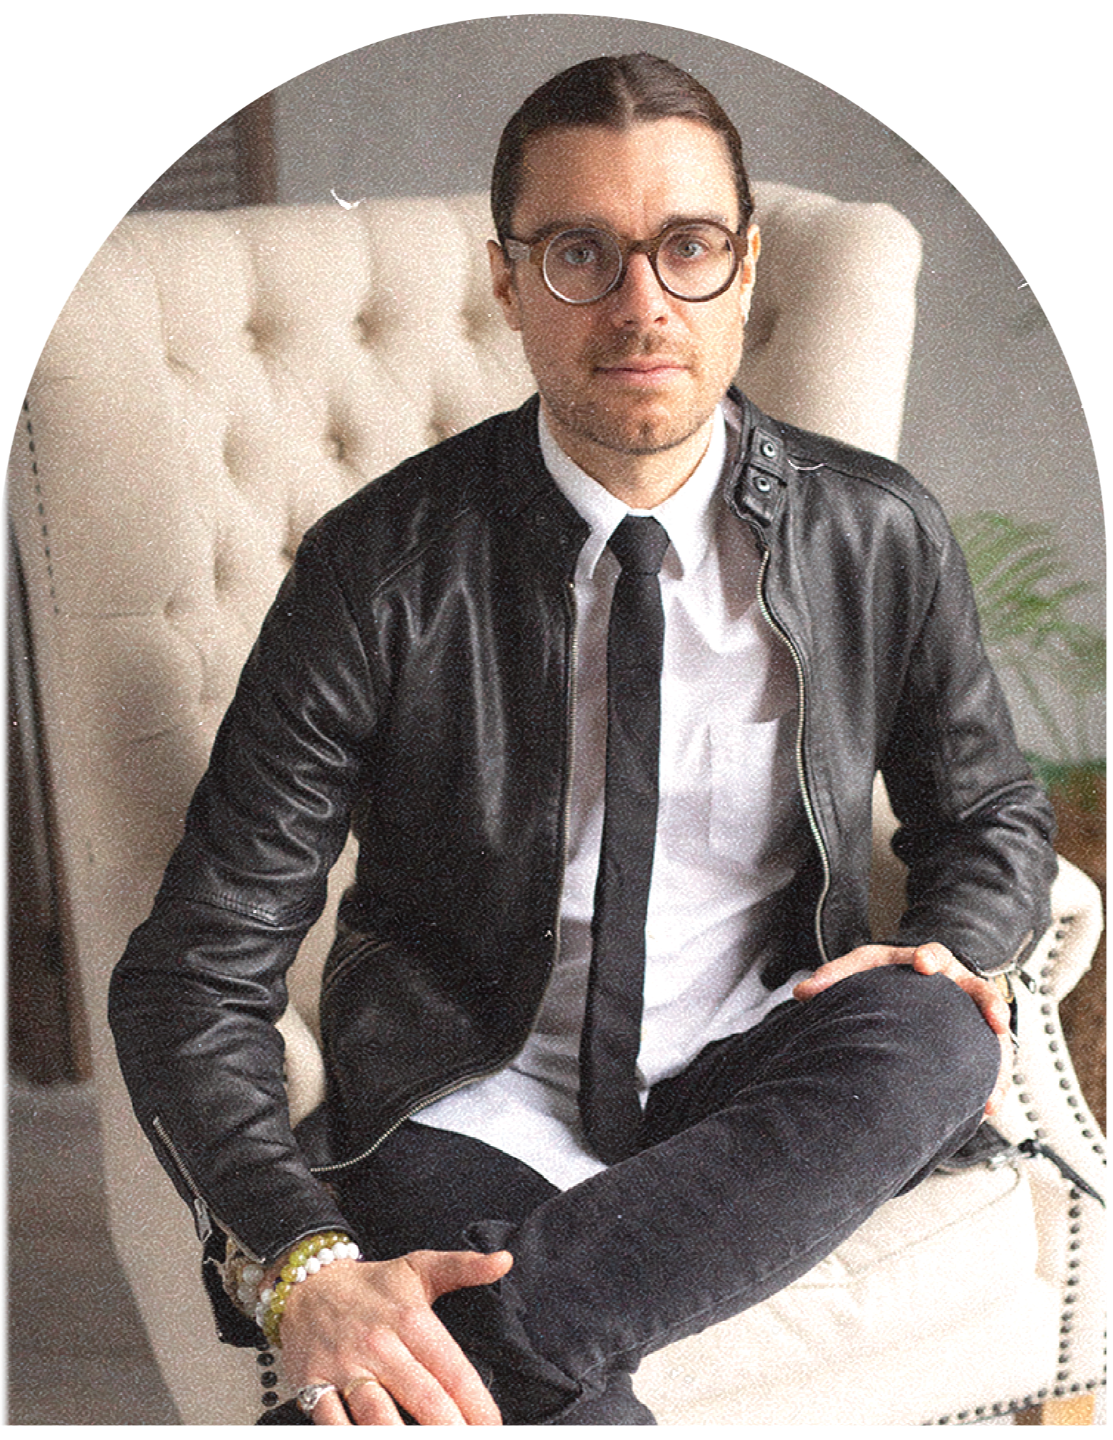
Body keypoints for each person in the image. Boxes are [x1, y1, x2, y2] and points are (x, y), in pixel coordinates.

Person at [109, 53, 1057, 1427]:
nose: (641, 303)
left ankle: (485, 1343)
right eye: (579, 254)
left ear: (744, 268)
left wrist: (954, 937)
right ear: (507, 281)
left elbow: (991, 815)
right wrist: (304, 1257)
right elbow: (195, 970)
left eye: (688, 248)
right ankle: (505, 1353)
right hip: (469, 1091)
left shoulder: (875, 532)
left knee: (938, 1028)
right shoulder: (380, 570)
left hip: (752, 1056)